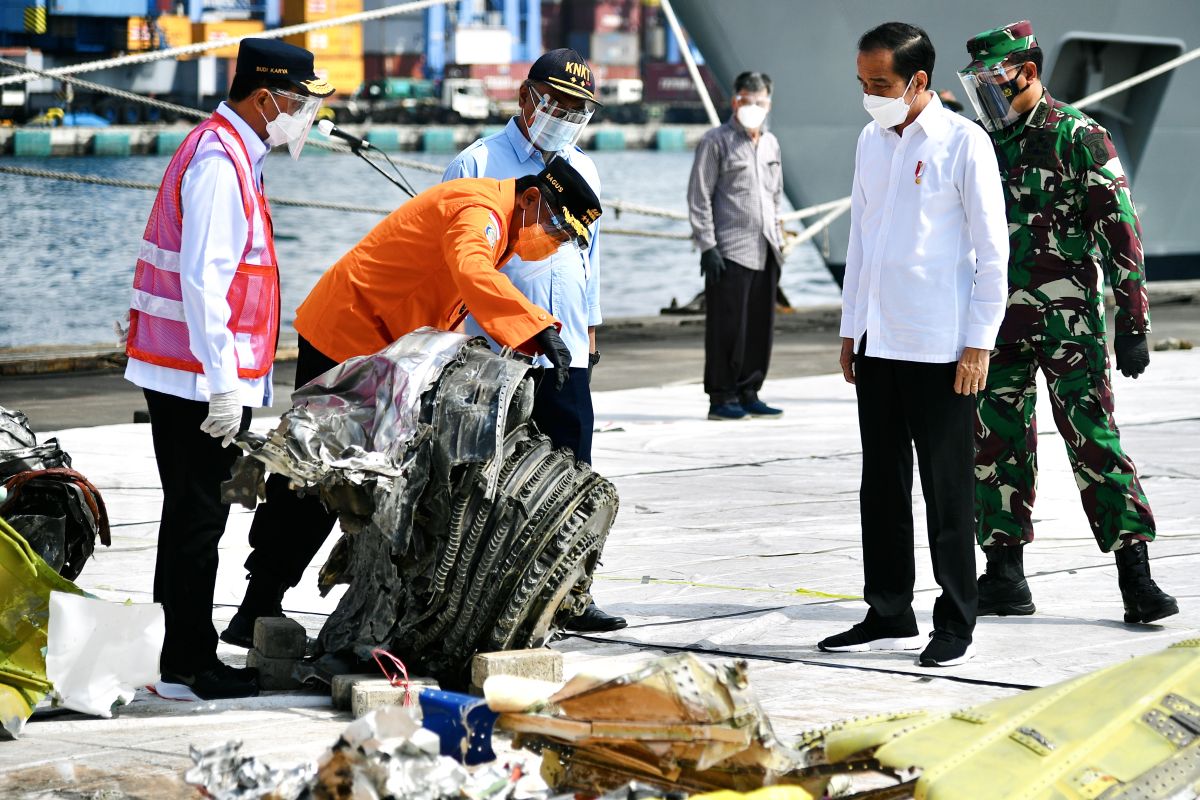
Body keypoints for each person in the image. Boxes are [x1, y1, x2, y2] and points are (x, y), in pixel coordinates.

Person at [220, 157, 602, 647]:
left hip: (385, 346)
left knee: (370, 474)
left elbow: (449, 300)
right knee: (318, 469)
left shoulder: (504, 223)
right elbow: (471, 269)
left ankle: (305, 601)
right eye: (554, 225)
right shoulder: (480, 210)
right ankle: (257, 605)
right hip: (349, 331)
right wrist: (538, 327)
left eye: (563, 236)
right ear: (531, 198)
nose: (551, 240)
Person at [123, 38, 333, 699]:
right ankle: (191, 662)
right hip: (196, 379)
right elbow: (204, 279)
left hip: (191, 371)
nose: (306, 117)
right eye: (300, 104)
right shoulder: (219, 160)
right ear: (266, 98)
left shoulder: (234, 150)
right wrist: (222, 384)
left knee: (190, 515)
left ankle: (178, 650)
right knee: (198, 520)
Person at [958, 21, 1178, 624]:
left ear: (1027, 72)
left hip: (1069, 323)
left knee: (1094, 443)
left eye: (994, 80)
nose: (986, 93)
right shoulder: (979, 141)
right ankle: (1003, 571)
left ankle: (1136, 574)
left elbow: (1120, 229)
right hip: (995, 322)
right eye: (978, 83)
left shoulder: (1079, 135)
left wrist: (1131, 320)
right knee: (995, 442)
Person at [817, 22, 1009, 667]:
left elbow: (992, 252)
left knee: (948, 489)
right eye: (862, 83)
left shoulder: (964, 144)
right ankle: (888, 609)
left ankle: (956, 618)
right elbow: (863, 243)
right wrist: (851, 328)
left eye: (881, 84)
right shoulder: (872, 142)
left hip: (942, 346)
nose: (869, 95)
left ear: (918, 81)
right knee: (882, 484)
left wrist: (979, 343)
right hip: (879, 340)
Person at [442, 48, 626, 633]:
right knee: (492, 483)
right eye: (560, 104)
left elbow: (590, 260)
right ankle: (489, 601)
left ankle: (572, 595)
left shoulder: (584, 168)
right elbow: (455, 267)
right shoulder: (478, 165)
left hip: (567, 350)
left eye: (580, 110)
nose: (567, 117)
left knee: (574, 473)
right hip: (495, 356)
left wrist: (589, 332)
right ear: (527, 98)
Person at [687, 71, 785, 421]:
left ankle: (750, 390)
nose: (753, 106)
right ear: (735, 101)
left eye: (760, 101)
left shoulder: (771, 143)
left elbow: (775, 196)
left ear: (768, 103)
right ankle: (722, 396)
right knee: (727, 328)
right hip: (729, 250)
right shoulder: (716, 142)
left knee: (759, 327)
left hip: (766, 247)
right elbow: (699, 196)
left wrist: (780, 236)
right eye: (747, 100)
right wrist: (707, 246)